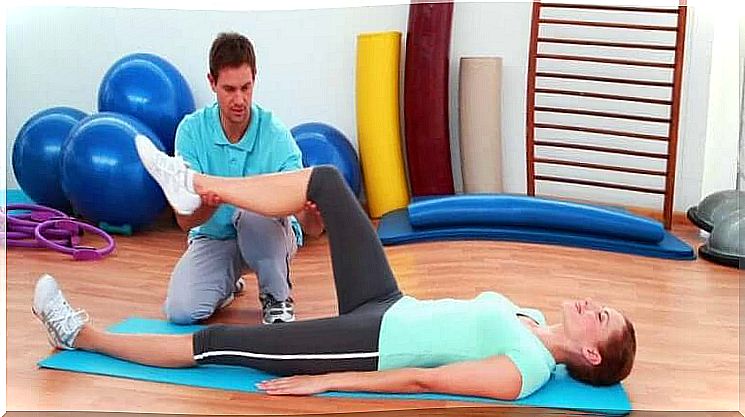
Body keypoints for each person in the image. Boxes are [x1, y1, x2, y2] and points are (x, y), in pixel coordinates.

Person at [31, 137, 636, 400]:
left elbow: (425, 380)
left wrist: (328, 380)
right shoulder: (527, 317)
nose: (591, 303)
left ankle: (77, 332)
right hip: (388, 304)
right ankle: (195, 187)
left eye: (600, 317)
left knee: (220, 342)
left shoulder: (525, 370)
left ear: (589, 355)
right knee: (326, 180)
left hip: (368, 346)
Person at [166, 32, 324, 325]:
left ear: (254, 80)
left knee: (253, 212)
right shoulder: (190, 131)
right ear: (212, 83)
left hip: (268, 234)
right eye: (229, 89)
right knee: (181, 310)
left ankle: (277, 298)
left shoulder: (274, 133)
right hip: (214, 238)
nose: (239, 99)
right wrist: (211, 204)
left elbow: (311, 228)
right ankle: (226, 285)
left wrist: (315, 218)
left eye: (246, 87)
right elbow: (185, 222)